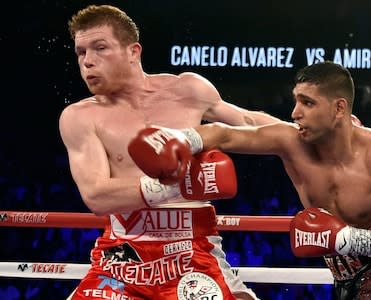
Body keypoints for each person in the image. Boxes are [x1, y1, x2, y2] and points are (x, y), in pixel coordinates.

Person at [132, 61, 371, 299]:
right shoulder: (291, 142)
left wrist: (347, 238)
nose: (294, 113)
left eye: (308, 103)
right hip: (345, 275)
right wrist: (179, 139)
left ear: (339, 108)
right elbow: (225, 134)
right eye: (296, 101)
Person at [59, 4, 280, 300]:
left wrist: (317, 131)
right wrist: (178, 184)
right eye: (81, 52)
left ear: (133, 52)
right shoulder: (80, 117)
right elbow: (96, 196)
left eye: (99, 48)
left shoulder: (187, 90)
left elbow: (250, 122)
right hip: (123, 257)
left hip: (193, 251)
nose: (87, 61)